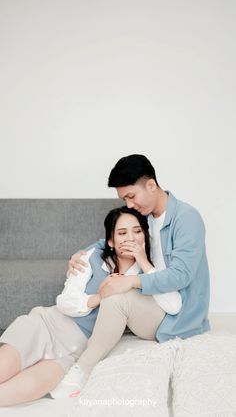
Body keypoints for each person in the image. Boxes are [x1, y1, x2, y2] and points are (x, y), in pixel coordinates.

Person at [0, 206, 181, 406]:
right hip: (48, 326)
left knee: (34, 386)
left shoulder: (150, 270)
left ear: (145, 236)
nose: (131, 238)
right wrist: (99, 297)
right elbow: (64, 301)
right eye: (122, 233)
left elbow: (173, 304)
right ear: (111, 241)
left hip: (78, 349)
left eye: (137, 231)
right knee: (4, 366)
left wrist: (144, 262)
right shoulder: (91, 257)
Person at [65, 154, 210, 388]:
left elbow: (181, 275)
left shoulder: (186, 218)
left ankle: (83, 369)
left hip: (177, 315)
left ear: (151, 185)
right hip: (155, 301)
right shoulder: (145, 216)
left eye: (131, 196)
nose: (129, 205)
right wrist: (82, 253)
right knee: (115, 293)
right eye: (124, 199)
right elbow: (116, 240)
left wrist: (132, 281)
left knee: (117, 298)